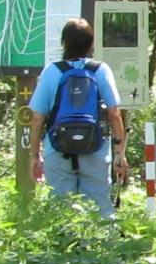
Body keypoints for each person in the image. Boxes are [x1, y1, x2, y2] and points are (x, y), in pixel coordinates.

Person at [27, 18, 129, 215]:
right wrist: (120, 153)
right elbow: (114, 114)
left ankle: (64, 244)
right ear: (91, 43)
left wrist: (34, 156)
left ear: (64, 42)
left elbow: (38, 118)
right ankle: (100, 243)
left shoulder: (51, 71)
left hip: (57, 150)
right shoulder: (101, 70)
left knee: (61, 208)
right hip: (95, 149)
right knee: (99, 205)